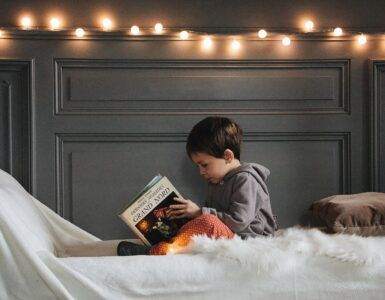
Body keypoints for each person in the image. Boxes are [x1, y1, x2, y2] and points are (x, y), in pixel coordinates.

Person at [117, 116, 277, 256]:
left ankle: (157, 251)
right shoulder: (216, 180)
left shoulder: (245, 179)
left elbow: (238, 222)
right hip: (230, 235)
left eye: (205, 165)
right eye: (198, 167)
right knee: (191, 220)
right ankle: (165, 242)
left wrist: (199, 212)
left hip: (249, 241)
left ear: (228, 156)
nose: (201, 172)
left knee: (208, 222)